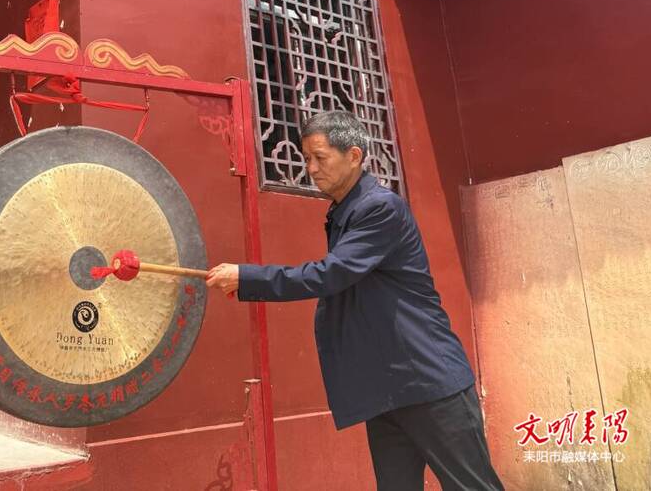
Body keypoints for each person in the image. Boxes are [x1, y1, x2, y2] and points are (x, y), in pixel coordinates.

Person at [206, 110, 504, 491]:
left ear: (354, 156)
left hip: (429, 381)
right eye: (306, 159)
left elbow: (329, 275)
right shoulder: (344, 212)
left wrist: (248, 277)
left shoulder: (379, 208)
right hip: (387, 391)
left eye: (320, 157)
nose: (311, 169)